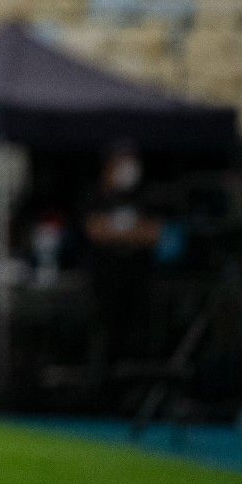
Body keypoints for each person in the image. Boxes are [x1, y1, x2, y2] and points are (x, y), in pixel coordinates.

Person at [81, 142, 163, 385]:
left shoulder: (143, 196)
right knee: (105, 339)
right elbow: (95, 230)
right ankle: (102, 388)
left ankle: (137, 389)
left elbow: (154, 233)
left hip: (137, 281)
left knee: (138, 338)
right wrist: (133, 234)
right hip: (105, 282)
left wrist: (117, 233)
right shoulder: (96, 195)